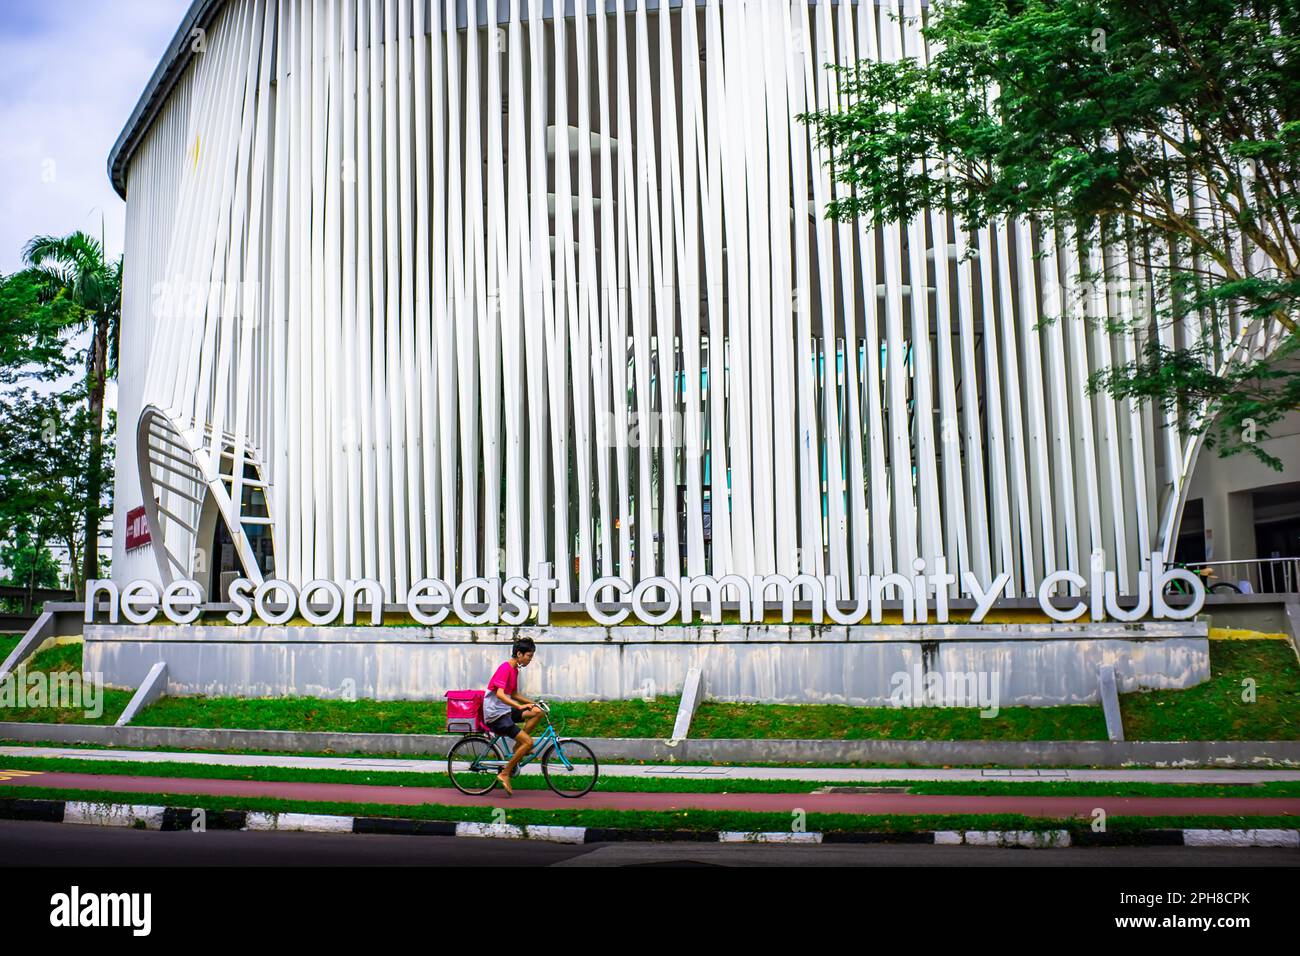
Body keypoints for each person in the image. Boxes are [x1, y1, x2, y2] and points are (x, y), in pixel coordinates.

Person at [483, 637, 543, 795]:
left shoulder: (514, 669)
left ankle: (518, 747)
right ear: (519, 653)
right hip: (496, 715)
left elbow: (514, 693)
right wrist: (519, 706)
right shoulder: (505, 668)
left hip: (505, 710)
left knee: (538, 712)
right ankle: (504, 773)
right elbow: (501, 695)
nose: (530, 659)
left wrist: (534, 703)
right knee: (528, 742)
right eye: (529, 656)